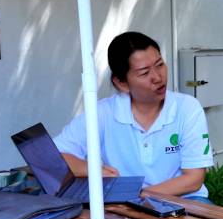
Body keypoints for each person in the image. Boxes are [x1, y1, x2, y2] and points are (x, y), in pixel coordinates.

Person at [54, 31, 214, 202]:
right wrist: (91, 169)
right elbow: (51, 157)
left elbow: (193, 180)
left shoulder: (187, 108)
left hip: (185, 200)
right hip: (124, 205)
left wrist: (136, 196)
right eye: (144, 73)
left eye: (159, 64)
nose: (158, 77)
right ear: (121, 83)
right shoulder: (103, 113)